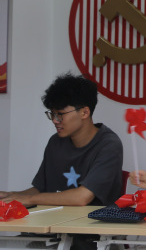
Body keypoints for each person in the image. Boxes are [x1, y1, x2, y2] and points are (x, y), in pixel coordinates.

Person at [0, 73, 123, 206]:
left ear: (84, 112)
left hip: (92, 218)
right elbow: (41, 190)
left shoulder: (109, 145)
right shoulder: (56, 142)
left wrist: (29, 199)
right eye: (52, 114)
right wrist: (11, 195)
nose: (54, 120)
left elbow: (82, 197)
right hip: (56, 216)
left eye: (60, 114)